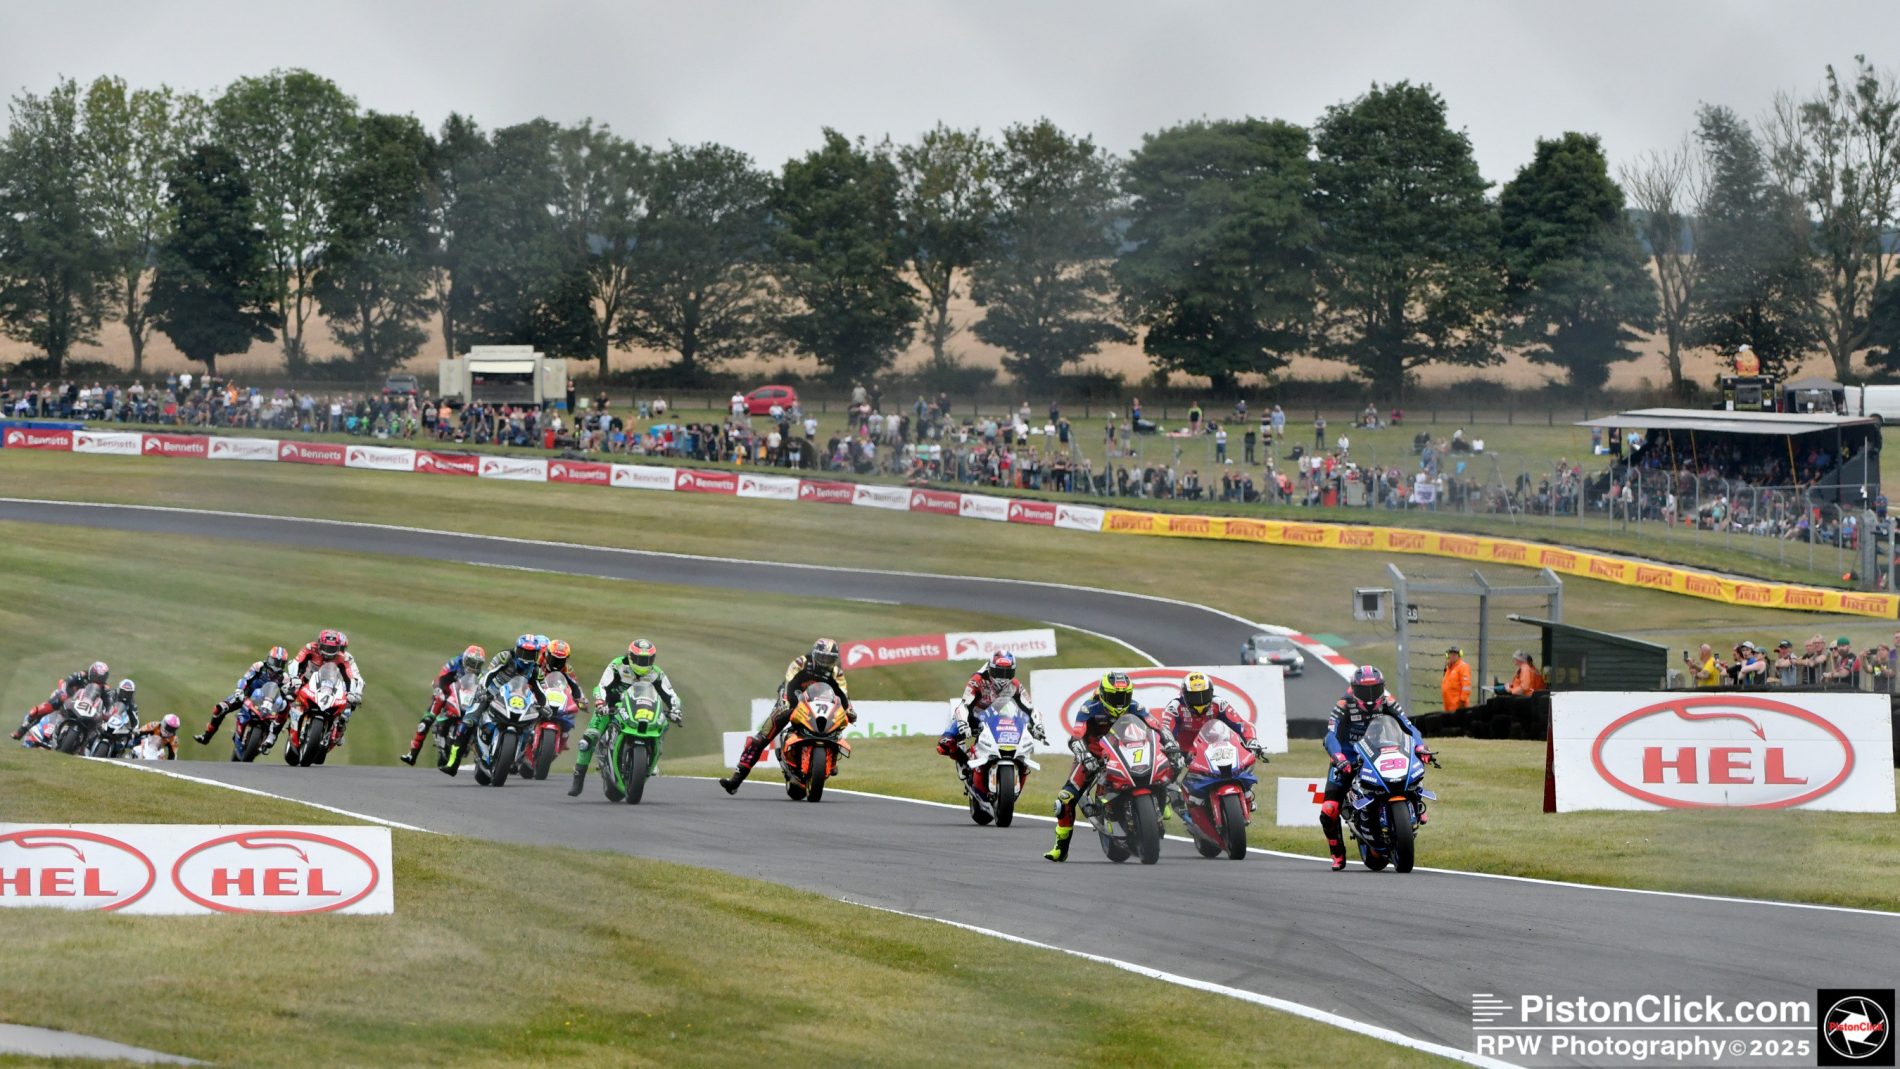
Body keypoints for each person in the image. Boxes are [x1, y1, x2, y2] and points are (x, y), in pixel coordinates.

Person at [1043, 672, 1162, 862]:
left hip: (1127, 754)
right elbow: (1076, 736)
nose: (1120, 702)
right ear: (1104, 695)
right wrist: (1085, 756)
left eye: (1124, 696)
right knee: (1064, 799)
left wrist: (1170, 743)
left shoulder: (1135, 707)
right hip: (1094, 757)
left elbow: (1156, 726)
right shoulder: (1089, 708)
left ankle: (1161, 813)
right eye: (1115, 697)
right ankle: (1060, 847)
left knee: (1164, 773)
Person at [1320, 666, 1428, 871]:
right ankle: (1337, 854)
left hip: (1379, 750)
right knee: (1329, 809)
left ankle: (1417, 803)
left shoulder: (1388, 702)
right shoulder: (1343, 704)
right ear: (1354, 689)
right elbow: (1330, 735)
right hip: (1347, 757)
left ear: (1382, 687)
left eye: (1374, 689)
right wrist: (1339, 757)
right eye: (1363, 691)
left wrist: (1420, 746)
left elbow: (1409, 727)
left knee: (1411, 771)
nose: (1369, 697)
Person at [720, 639, 852, 793]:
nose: (825, 662)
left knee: (838, 722)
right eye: (822, 657)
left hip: (819, 704)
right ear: (815, 654)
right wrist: (786, 701)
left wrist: (849, 709)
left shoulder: (837, 673)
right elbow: (789, 682)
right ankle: (736, 780)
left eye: (829, 659)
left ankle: (831, 760)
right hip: (792, 700)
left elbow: (843, 695)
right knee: (763, 736)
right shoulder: (801, 662)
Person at [572, 638, 684, 796]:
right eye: (640, 659)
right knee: (588, 738)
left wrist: (676, 709)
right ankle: (578, 777)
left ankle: (653, 757)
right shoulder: (617, 665)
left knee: (664, 724)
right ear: (630, 656)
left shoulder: (656, 673)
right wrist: (600, 702)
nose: (643, 664)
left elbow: (670, 694)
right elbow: (602, 686)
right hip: (612, 708)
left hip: (642, 711)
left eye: (647, 660)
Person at [1156, 672, 1269, 821]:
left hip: (1213, 746)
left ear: (1211, 693)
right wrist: (1171, 746)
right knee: (1166, 773)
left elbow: (1242, 725)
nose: (1200, 701)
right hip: (1183, 751)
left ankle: (1247, 794)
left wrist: (1251, 741)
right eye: (1195, 696)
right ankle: (1160, 804)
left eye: (1204, 695)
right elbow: (1165, 729)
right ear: (1184, 695)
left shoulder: (1219, 704)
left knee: (1243, 763)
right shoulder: (1175, 706)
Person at [935, 651, 1046, 783]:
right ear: (990, 668)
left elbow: (1030, 708)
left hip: (997, 719)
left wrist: (1038, 725)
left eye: (1008, 673)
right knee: (945, 743)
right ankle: (963, 760)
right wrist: (963, 723)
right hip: (973, 719)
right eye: (999, 672)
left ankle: (1020, 766)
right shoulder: (977, 680)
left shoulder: (1014, 685)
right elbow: (963, 705)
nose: (1003, 678)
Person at [445, 635, 548, 775]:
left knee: (531, 726)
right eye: (524, 653)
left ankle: (520, 756)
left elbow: (542, 690)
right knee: (468, 721)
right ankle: (453, 762)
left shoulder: (536, 670)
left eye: (531, 654)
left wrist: (545, 705)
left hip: (518, 699)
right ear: (517, 650)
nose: (527, 658)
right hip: (492, 693)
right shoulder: (505, 656)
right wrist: (482, 690)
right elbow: (489, 674)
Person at [400, 644, 486, 765]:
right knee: (427, 719)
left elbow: (484, 685)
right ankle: (412, 754)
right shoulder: (455, 662)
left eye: (478, 664)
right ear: (465, 659)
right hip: (449, 691)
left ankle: (483, 758)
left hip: (467, 698)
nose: (474, 667)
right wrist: (440, 689)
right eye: (472, 662)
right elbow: (442, 677)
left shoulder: (481, 673)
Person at [195, 646, 291, 745]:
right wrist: (239, 690)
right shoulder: (259, 666)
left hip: (267, 706)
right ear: (268, 658)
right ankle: (206, 736)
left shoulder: (285, 678)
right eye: (274, 661)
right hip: (247, 696)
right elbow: (245, 679)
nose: (275, 666)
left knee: (280, 718)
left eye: (280, 664)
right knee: (220, 708)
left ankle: (268, 739)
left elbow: (287, 697)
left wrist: (286, 708)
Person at [284, 629, 364, 747]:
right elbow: (295, 662)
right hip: (306, 680)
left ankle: (339, 729)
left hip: (330, 685)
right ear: (319, 644)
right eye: (326, 648)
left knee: (348, 706)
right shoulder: (310, 648)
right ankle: (277, 726)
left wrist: (352, 693)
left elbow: (351, 677)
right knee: (288, 693)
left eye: (332, 649)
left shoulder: (344, 658)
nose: (329, 652)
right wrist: (294, 677)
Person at [12, 661, 110, 740]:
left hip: (89, 709)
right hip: (71, 699)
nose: (97, 680)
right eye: (96, 676)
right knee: (48, 705)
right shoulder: (81, 675)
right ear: (91, 672)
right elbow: (65, 683)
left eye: (101, 678)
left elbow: (108, 703)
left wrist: (107, 714)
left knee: (101, 726)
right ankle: (22, 730)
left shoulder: (105, 688)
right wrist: (64, 693)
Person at [1440, 647, 1472, 712]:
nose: (1452, 656)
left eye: (1455, 654)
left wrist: (1462, 701)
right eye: (1451, 654)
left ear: (1459, 655)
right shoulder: (1449, 668)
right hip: (1448, 706)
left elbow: (1466, 686)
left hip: (1458, 707)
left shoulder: (1463, 667)